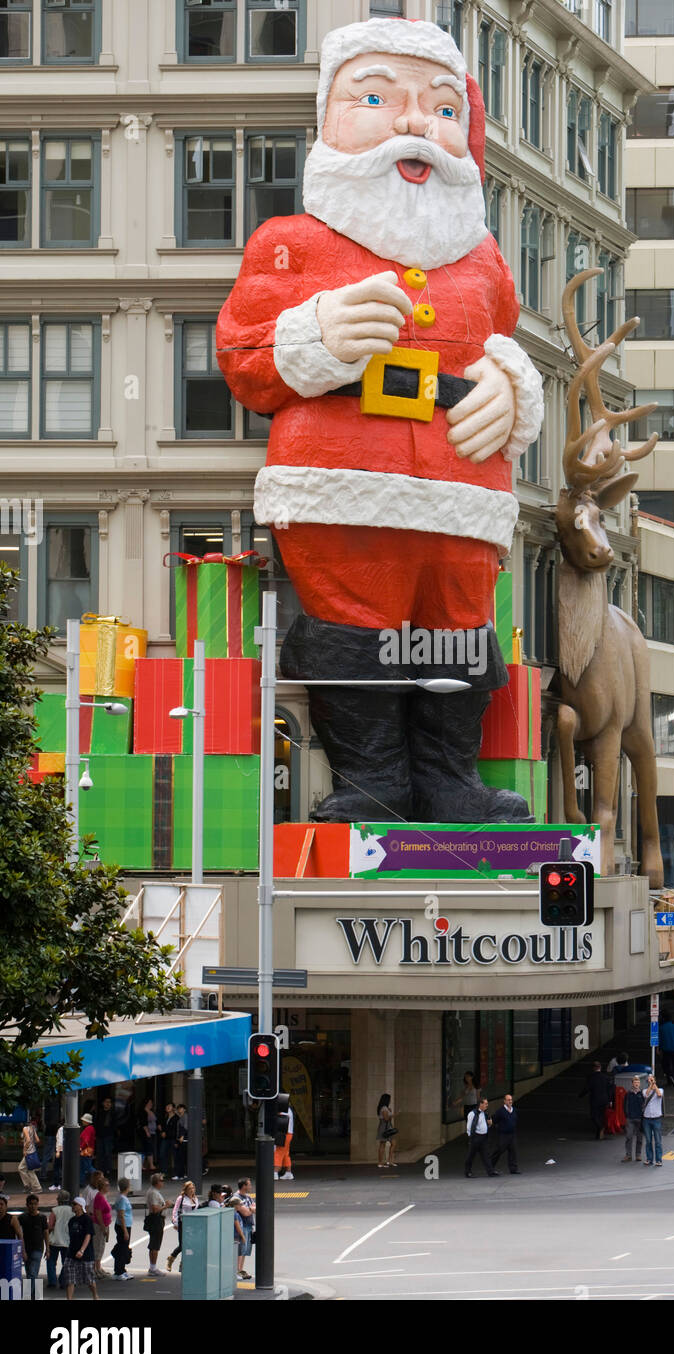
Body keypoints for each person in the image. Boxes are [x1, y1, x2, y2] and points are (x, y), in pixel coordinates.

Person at [217, 17, 544, 829]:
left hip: (463, 493)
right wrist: (315, 336)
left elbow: (503, 344)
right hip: (342, 485)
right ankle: (372, 783)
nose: (413, 125)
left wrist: (511, 388)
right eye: (375, 97)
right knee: (353, 630)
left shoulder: (485, 261)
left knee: (458, 632)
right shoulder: (289, 245)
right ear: (329, 116)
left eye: (441, 110)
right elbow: (245, 355)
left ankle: (448, 781)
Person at [61, 1195, 99, 1301]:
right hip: (71, 1253)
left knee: (89, 1279)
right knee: (70, 1279)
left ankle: (95, 1295)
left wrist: (82, 1250)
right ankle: (69, 1298)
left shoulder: (87, 1219)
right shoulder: (71, 1220)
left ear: (80, 1206)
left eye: (74, 1204)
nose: (72, 1206)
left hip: (86, 1254)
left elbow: (88, 1235)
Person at [166, 1180, 198, 1273]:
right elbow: (175, 1210)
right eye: (190, 1188)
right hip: (183, 1223)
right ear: (186, 1189)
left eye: (193, 1188)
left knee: (190, 1245)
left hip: (192, 1225)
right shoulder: (181, 1198)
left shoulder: (195, 1198)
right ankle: (171, 1259)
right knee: (183, 1245)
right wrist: (175, 1223)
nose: (192, 1190)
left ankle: (183, 1264)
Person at [19, 1192, 49, 1291]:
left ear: (38, 1204)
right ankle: (36, 1294)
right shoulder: (22, 1218)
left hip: (38, 1249)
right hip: (26, 1249)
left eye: (35, 1204)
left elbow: (46, 1233)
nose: (33, 1206)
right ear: (27, 1205)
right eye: (31, 1204)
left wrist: (47, 1249)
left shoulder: (42, 1218)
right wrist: (21, 1251)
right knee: (30, 1273)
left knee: (32, 1273)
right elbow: (19, 1235)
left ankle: (28, 1295)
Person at [580, 1061, 614, 1140]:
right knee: (601, 1116)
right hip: (604, 1100)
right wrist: (610, 1100)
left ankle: (600, 1127)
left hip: (595, 1099)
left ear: (593, 1068)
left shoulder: (590, 1077)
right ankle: (599, 1134)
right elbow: (610, 1089)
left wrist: (580, 1095)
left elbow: (587, 1088)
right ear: (600, 1068)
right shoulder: (606, 1077)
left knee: (594, 1116)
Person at [47, 1190, 74, 1289]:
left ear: (58, 1199)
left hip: (54, 1240)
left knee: (51, 1262)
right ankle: (63, 1281)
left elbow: (50, 1226)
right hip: (67, 1240)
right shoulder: (72, 1210)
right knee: (66, 1262)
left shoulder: (54, 1210)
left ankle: (52, 1282)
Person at [465, 1097, 498, 1177]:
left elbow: (487, 1125)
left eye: (487, 1103)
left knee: (486, 1155)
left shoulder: (485, 1113)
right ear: (480, 1104)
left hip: (484, 1138)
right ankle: (468, 1172)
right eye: (485, 1103)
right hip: (476, 1137)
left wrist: (490, 1124)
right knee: (471, 1155)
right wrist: (471, 1137)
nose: (487, 1105)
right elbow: (469, 1127)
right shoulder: (472, 1114)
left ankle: (490, 1171)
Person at [144, 1173, 168, 1276]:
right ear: (157, 1182)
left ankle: (152, 1266)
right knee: (155, 1244)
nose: (163, 1182)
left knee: (154, 1243)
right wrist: (166, 1206)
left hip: (156, 1219)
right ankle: (153, 1267)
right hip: (156, 1220)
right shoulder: (153, 1193)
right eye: (162, 1180)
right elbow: (154, 1209)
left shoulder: (154, 1191)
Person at [231, 1178, 255, 1280]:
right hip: (242, 1226)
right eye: (249, 1185)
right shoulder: (237, 1198)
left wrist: (250, 1209)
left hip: (249, 1225)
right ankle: (236, 1270)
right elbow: (246, 1213)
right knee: (240, 1250)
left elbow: (253, 1208)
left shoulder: (248, 1197)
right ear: (244, 1186)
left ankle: (240, 1270)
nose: (251, 1186)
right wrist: (251, 1209)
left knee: (245, 1250)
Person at [490, 1094, 520, 1174]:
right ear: (504, 1101)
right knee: (499, 1150)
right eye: (508, 1100)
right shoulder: (500, 1111)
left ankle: (513, 1169)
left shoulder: (514, 1110)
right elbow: (494, 1120)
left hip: (512, 1134)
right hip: (503, 1135)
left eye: (511, 1100)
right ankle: (490, 1167)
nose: (510, 1101)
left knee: (513, 1151)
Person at [112, 1177, 134, 1281]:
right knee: (122, 1248)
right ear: (127, 1187)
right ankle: (118, 1271)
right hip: (122, 1226)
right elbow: (121, 1215)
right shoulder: (122, 1199)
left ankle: (122, 1269)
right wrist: (125, 1231)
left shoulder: (122, 1197)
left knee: (123, 1247)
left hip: (125, 1225)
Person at [91, 1175, 112, 1278]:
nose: (108, 1187)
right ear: (102, 1187)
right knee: (97, 1246)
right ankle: (95, 1268)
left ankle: (98, 1267)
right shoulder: (99, 1197)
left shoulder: (103, 1196)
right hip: (99, 1225)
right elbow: (98, 1213)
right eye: (106, 1185)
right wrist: (103, 1227)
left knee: (101, 1246)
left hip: (105, 1224)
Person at [642, 1074, 665, 1167]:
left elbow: (659, 1095)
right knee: (648, 1140)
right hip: (647, 1118)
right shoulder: (644, 1090)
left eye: (652, 1080)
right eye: (649, 1080)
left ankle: (659, 1160)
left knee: (658, 1141)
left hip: (656, 1119)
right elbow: (646, 1095)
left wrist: (654, 1085)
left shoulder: (660, 1090)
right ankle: (649, 1159)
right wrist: (651, 1085)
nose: (650, 1081)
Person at [622, 1076, 645, 1163]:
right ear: (632, 1083)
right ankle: (628, 1155)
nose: (637, 1084)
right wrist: (627, 1115)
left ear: (640, 1083)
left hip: (639, 1118)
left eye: (638, 1082)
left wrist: (643, 1116)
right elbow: (624, 1105)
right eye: (635, 1082)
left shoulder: (642, 1093)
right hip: (630, 1118)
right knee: (629, 1136)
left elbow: (644, 1105)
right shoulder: (628, 1094)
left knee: (639, 1138)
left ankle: (638, 1155)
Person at [18, 1115, 42, 1195]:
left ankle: (30, 1186)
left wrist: (24, 1149)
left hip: (28, 1152)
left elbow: (28, 1140)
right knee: (30, 1170)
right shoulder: (33, 1128)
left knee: (21, 1168)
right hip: (33, 1151)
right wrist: (31, 1143)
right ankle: (33, 1186)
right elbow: (38, 1140)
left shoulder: (25, 1128)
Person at [275, 1094, 295, 1181]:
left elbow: (277, 1115)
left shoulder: (284, 1110)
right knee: (285, 1153)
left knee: (278, 1152)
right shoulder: (288, 1110)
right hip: (288, 1134)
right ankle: (288, 1172)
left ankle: (275, 1172)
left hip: (285, 1134)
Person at [95, 1097, 116, 1178]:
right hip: (100, 1135)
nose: (108, 1104)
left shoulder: (113, 1113)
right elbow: (97, 1124)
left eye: (109, 1102)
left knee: (108, 1153)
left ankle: (108, 1170)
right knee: (100, 1153)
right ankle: (100, 1170)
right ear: (103, 1103)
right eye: (106, 1102)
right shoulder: (100, 1113)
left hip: (108, 1136)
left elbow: (114, 1125)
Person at [659, 1013, 674, 1087]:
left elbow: (659, 1039)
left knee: (665, 1064)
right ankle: (673, 1077)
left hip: (665, 1050)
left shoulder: (661, 1028)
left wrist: (658, 1048)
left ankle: (669, 1076)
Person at [376, 1093, 397, 1168]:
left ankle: (389, 1161)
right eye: (389, 1099)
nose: (390, 1101)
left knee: (393, 1143)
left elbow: (388, 1119)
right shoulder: (384, 1108)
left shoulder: (386, 1108)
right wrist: (391, 1114)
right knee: (382, 1144)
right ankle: (380, 1162)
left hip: (388, 1126)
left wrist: (391, 1114)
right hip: (384, 1127)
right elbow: (386, 1119)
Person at [138, 1098, 157, 1173]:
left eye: (151, 1103)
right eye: (149, 1102)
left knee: (149, 1148)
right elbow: (143, 1123)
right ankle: (148, 1165)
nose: (151, 1104)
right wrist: (147, 1132)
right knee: (146, 1148)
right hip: (146, 1133)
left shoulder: (151, 1111)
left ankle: (149, 1165)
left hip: (152, 1133)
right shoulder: (143, 1111)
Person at [78, 1112, 96, 1188]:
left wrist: (81, 1147)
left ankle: (99, 1178)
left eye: (84, 1120)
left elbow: (86, 1140)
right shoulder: (91, 1128)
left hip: (86, 1150)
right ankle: (81, 1182)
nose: (82, 1121)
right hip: (89, 1150)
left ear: (86, 1121)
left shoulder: (88, 1129)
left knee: (87, 1166)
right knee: (83, 1166)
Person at [158, 1103, 176, 1175]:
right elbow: (163, 1127)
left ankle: (177, 1172)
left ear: (173, 1108)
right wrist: (162, 1132)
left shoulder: (176, 1118)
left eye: (169, 1106)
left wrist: (166, 1133)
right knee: (162, 1154)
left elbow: (175, 1130)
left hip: (173, 1139)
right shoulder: (165, 1117)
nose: (167, 1107)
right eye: (166, 1106)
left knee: (174, 1155)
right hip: (165, 1139)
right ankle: (163, 1171)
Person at [173, 1103, 188, 1178]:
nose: (179, 1110)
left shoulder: (185, 1116)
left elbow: (185, 1127)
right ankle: (183, 1174)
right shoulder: (180, 1117)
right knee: (182, 1158)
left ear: (184, 1109)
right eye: (178, 1108)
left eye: (181, 1108)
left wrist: (182, 1136)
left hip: (184, 1140)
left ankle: (180, 1175)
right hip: (181, 1140)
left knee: (181, 1158)